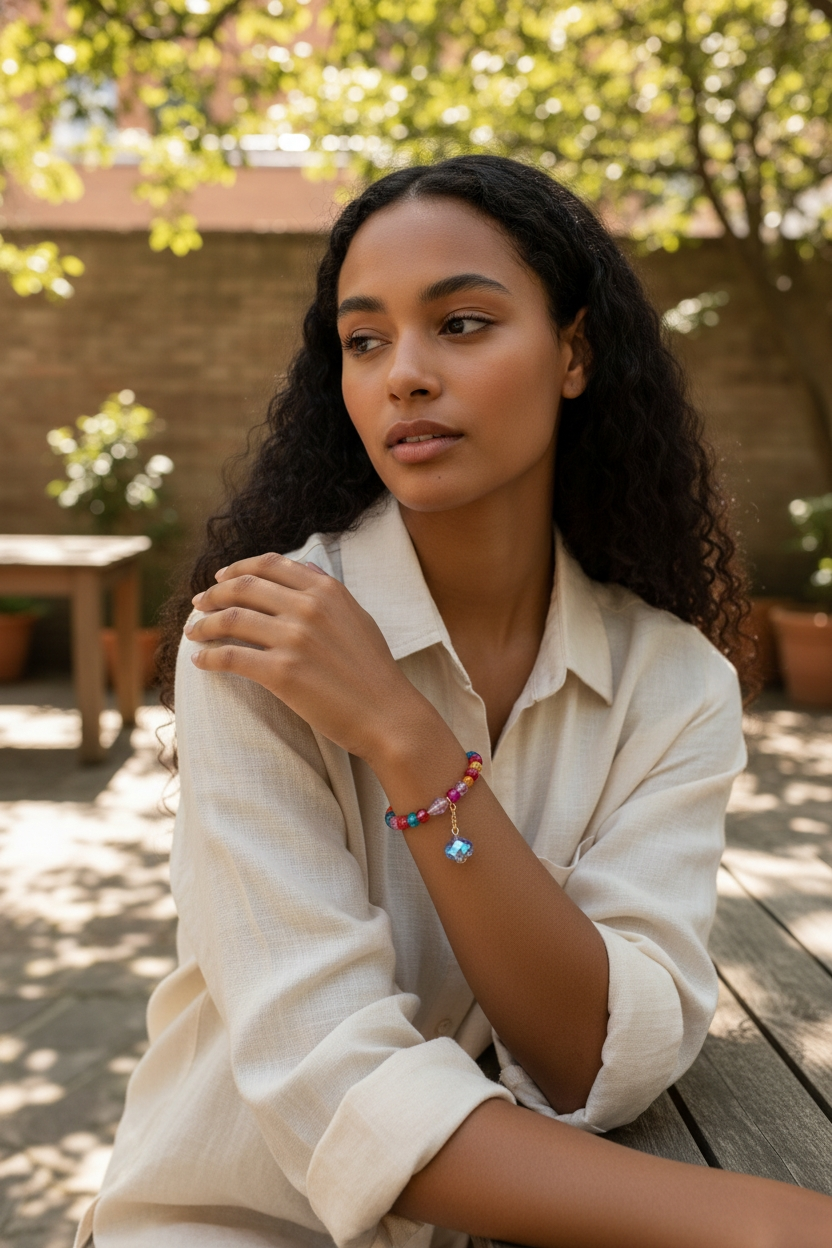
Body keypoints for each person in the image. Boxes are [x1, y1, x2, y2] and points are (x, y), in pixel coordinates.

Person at [76, 155, 832, 1248]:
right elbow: (332, 1086)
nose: (404, 376)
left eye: (462, 325)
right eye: (365, 339)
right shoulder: (256, 639)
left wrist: (408, 738)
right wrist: (772, 1225)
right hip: (224, 1222)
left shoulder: (671, 684)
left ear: (573, 352)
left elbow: (597, 1056)